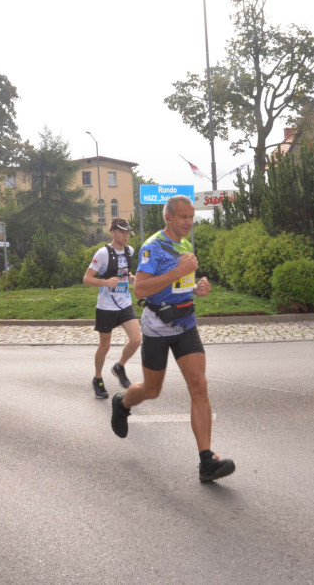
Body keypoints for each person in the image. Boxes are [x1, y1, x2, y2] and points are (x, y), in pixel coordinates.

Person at [109, 194, 235, 483]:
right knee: (152, 390)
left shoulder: (185, 245)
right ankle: (123, 404)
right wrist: (179, 270)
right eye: (184, 217)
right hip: (157, 327)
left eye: (191, 217)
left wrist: (196, 288)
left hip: (185, 323)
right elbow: (140, 289)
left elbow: (181, 284)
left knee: (199, 385)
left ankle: (207, 461)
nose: (189, 221)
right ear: (169, 218)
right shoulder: (152, 248)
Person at [83, 218, 141, 398]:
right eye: (122, 231)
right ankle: (98, 379)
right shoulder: (103, 253)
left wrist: (131, 278)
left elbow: (124, 271)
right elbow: (86, 278)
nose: (125, 235)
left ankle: (119, 366)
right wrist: (104, 282)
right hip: (106, 306)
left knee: (136, 339)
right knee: (105, 345)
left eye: (127, 231)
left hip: (125, 303)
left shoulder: (129, 251)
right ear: (112, 232)